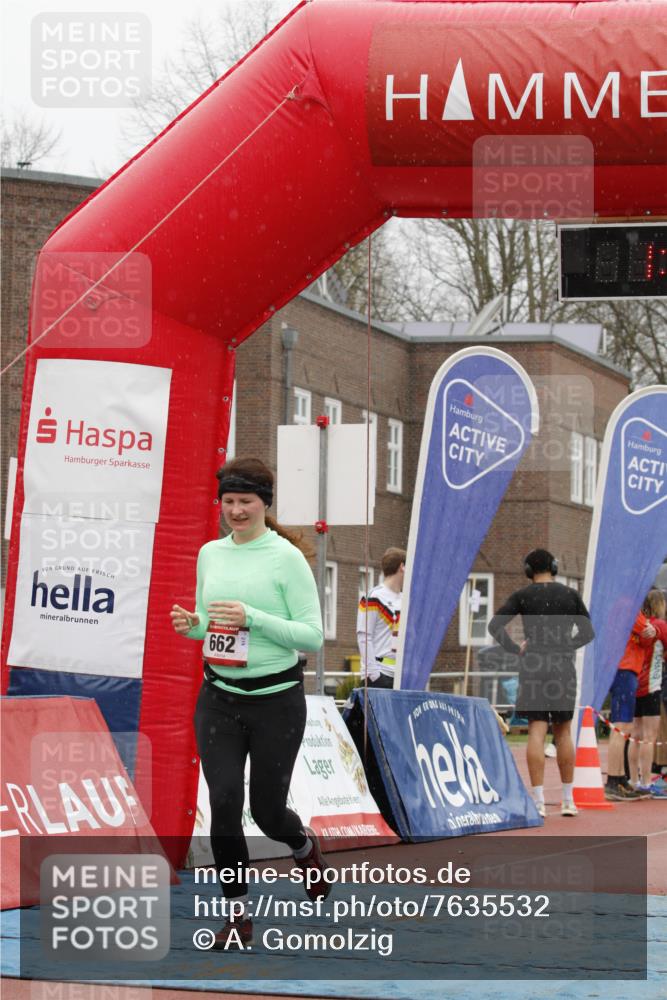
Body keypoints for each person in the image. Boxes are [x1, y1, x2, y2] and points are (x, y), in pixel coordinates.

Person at [171, 457, 329, 949]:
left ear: (265, 504)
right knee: (222, 803)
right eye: (229, 502)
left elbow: (313, 636)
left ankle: (303, 847)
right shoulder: (210, 554)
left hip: (276, 702)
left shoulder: (286, 558)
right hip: (219, 697)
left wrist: (253, 618)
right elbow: (207, 622)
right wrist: (191, 625)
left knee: (266, 813)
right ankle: (237, 916)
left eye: (246, 502)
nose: (236, 511)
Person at [488, 549, 594, 819]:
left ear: (528, 571)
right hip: (561, 667)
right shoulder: (569, 595)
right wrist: (565, 645)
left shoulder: (523, 596)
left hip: (534, 666)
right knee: (563, 732)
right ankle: (568, 800)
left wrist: (515, 649)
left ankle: (538, 801)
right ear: (554, 567)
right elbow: (587, 632)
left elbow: (494, 626)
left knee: (537, 730)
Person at [605, 593, 660, 800]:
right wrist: (650, 629)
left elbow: (648, 635)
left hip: (625, 668)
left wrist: (650, 632)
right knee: (621, 727)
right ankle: (613, 779)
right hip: (625, 669)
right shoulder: (627, 604)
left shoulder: (623, 606)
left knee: (624, 726)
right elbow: (647, 631)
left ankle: (619, 777)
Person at [629, 591, 667, 796]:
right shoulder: (660, 625)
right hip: (651, 685)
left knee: (635, 735)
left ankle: (633, 779)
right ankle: (645, 781)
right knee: (649, 737)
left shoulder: (641, 625)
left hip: (635, 682)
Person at [356, 547, 406, 689]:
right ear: (402, 567)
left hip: (400, 677)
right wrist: (374, 675)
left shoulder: (406, 599)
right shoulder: (373, 597)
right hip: (380, 675)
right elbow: (364, 636)